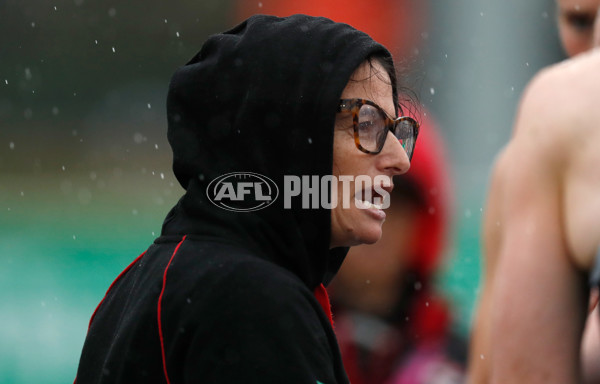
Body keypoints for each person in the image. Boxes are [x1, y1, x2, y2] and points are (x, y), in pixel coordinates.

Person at [74, 14, 419, 383]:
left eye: (398, 130)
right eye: (367, 124)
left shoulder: (138, 284)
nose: (400, 159)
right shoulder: (254, 300)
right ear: (290, 133)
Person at [467, 1, 600, 382]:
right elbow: (488, 372)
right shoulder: (522, 164)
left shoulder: (552, 112)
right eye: (579, 21)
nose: (593, 45)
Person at [328, 120, 466, 384]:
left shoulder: (460, 361)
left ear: (423, 223)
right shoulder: (288, 336)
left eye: (395, 204)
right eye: (363, 198)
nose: (378, 220)